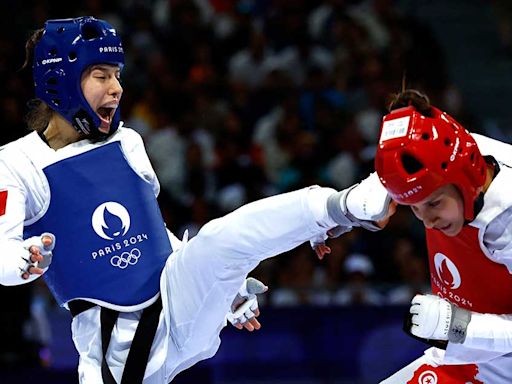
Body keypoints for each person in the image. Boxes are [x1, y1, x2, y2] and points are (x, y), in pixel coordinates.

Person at [0, 17, 392, 383]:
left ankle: (346, 204)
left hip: (176, 302)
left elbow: (154, 233)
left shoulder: (128, 143)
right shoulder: (17, 163)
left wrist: (224, 290)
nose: (116, 88)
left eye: (117, 75)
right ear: (61, 80)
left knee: (221, 239)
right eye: (101, 76)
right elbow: (3, 259)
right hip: (113, 354)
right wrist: (23, 262)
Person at [375, 89, 512, 383]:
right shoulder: (456, 154)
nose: (426, 219)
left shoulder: (506, 222)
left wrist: (458, 325)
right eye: (413, 207)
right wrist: (333, 219)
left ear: (466, 180)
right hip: (468, 361)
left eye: (434, 203)